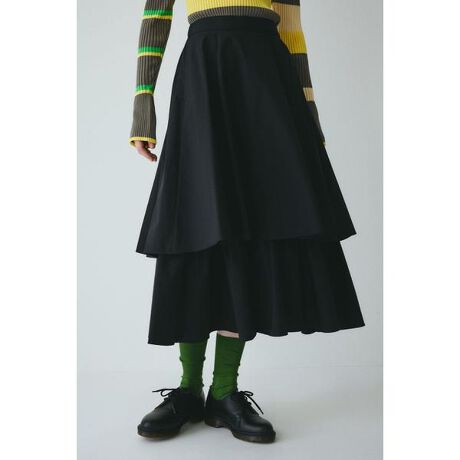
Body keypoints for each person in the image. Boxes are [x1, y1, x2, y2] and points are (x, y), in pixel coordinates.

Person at [129, 0, 364, 444]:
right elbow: (155, 17)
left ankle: (223, 392)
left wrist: (309, 118)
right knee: (194, 224)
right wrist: (144, 106)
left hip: (268, 84)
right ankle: (188, 389)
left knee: (249, 229)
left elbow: (292, 33)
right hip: (204, 76)